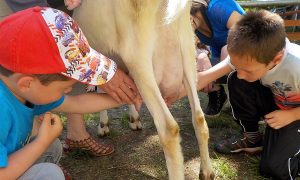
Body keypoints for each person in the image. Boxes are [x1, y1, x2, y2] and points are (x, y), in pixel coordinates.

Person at [0, 6, 141, 179]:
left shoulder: (24, 90)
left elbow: (77, 103)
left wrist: (129, 98)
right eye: (64, 88)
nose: (69, 91)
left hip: (9, 159)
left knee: (52, 146)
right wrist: (42, 142)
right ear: (27, 83)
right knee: (50, 174)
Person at [173, 10, 300, 179]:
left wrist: (291, 115)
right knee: (236, 80)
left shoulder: (296, 66)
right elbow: (205, 77)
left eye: (247, 70)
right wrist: (169, 95)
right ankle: (253, 138)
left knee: (274, 168)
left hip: (294, 114)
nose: (240, 73)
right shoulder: (251, 53)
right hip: (279, 103)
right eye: (237, 66)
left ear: (276, 60)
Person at [190, 0, 245, 117]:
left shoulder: (216, 7)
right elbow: (186, 47)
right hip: (222, 59)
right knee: (188, 67)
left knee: (226, 50)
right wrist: (200, 55)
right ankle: (216, 92)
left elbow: (248, 30)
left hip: (248, 51)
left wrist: (230, 48)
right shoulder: (191, 24)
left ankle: (251, 100)